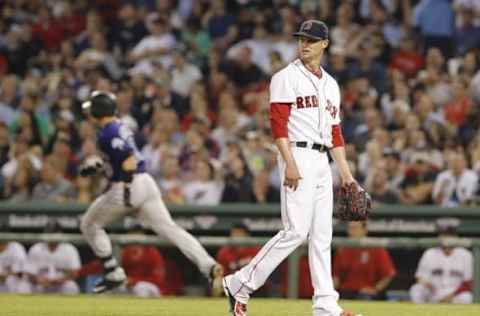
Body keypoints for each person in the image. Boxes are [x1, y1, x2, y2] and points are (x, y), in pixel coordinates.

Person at [223, 20, 362, 316]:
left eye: (311, 40)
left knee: (322, 235)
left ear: (324, 44)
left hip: (323, 161)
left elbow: (335, 135)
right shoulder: (285, 77)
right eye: (301, 39)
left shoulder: (331, 84)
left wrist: (347, 177)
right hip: (297, 154)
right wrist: (289, 162)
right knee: (295, 232)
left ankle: (326, 305)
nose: (304, 44)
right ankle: (240, 283)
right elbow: (278, 125)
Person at [79, 90, 223, 294]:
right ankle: (208, 265)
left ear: (97, 111)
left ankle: (112, 272)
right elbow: (119, 158)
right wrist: (100, 165)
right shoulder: (120, 126)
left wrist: (127, 190)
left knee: (89, 224)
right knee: (171, 229)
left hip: (128, 187)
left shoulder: (106, 133)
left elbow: (128, 160)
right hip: (146, 183)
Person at [409, 220, 473, 304]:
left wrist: (450, 296)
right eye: (443, 234)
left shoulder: (465, 254)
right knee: (416, 289)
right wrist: (429, 287)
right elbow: (420, 278)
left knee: (467, 297)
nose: (446, 238)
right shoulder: (429, 253)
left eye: (449, 235)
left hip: (455, 295)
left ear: (456, 236)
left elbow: (468, 283)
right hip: (434, 292)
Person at [333, 221, 396, 300]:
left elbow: (389, 274)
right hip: (346, 292)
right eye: (350, 228)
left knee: (365, 297)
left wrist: (375, 289)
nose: (351, 231)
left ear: (364, 230)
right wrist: (331, 292)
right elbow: (336, 277)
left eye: (355, 228)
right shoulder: (342, 249)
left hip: (366, 293)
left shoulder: (375, 247)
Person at [28, 220, 81, 294]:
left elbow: (75, 273)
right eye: (49, 232)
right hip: (41, 284)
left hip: (61, 284)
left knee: (71, 286)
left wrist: (60, 280)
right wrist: (38, 280)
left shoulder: (69, 249)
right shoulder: (36, 248)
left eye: (54, 232)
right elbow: (29, 274)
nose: (51, 235)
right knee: (25, 286)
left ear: (60, 234)